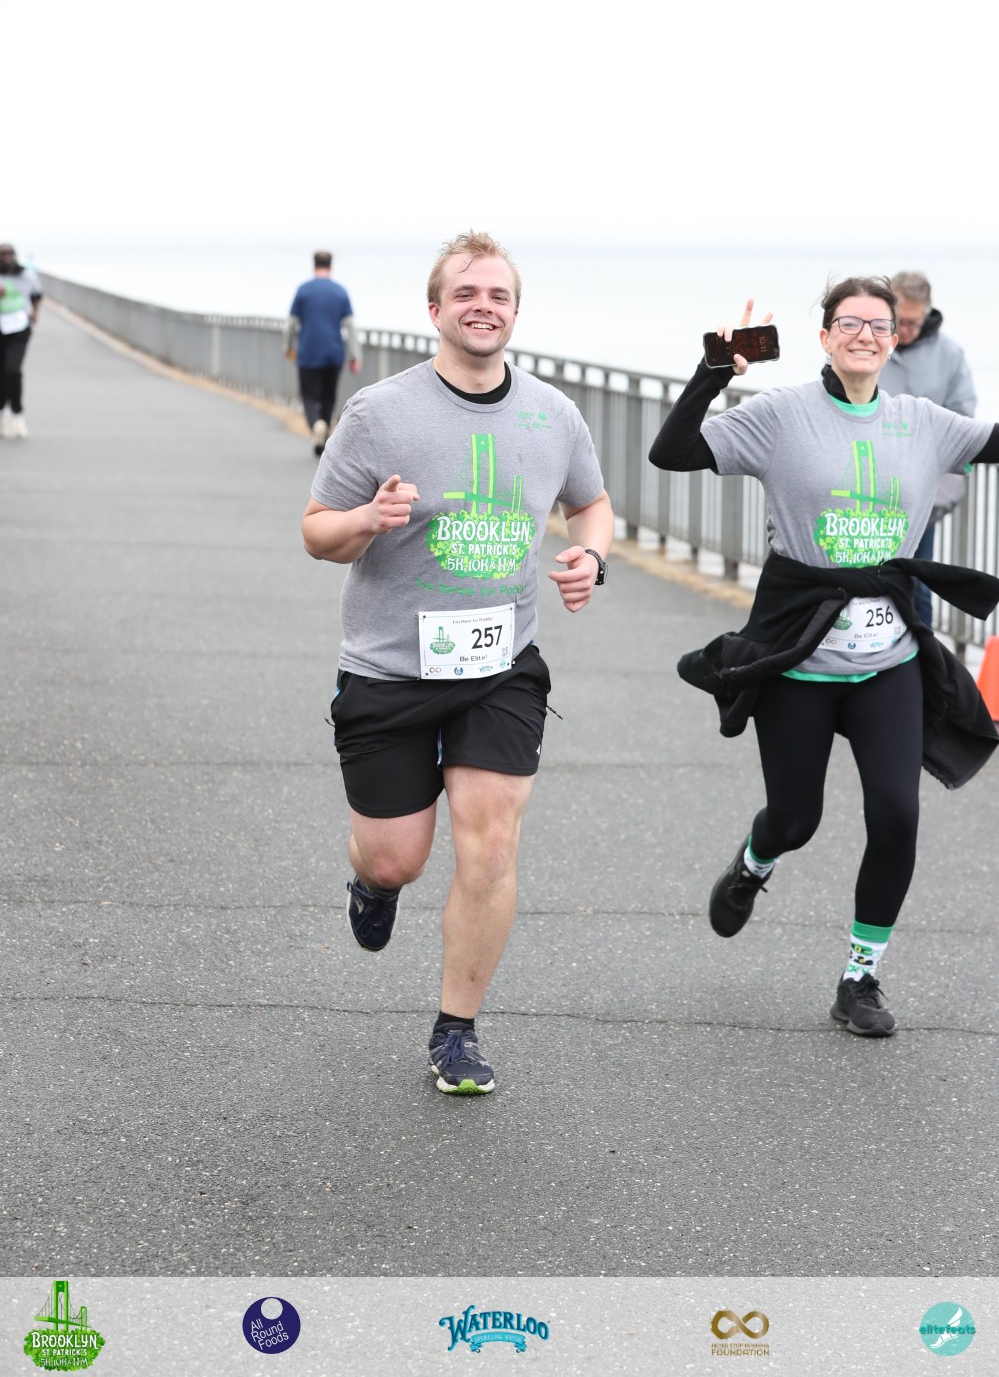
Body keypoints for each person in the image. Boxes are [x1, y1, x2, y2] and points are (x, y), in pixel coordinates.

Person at [302, 230, 614, 1092]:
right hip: (389, 669)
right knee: (395, 857)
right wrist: (365, 520)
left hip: (501, 667)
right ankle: (373, 884)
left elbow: (591, 504)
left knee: (490, 844)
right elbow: (316, 532)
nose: (484, 307)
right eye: (466, 294)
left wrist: (589, 557)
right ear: (435, 309)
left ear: (515, 312)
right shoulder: (379, 413)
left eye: (498, 295)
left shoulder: (554, 414)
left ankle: (456, 1031)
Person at [649, 279, 999, 1038]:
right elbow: (670, 452)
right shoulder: (780, 415)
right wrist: (715, 370)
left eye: (879, 325)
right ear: (824, 336)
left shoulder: (923, 422)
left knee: (897, 815)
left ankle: (859, 979)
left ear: (895, 339)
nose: (865, 335)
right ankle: (754, 863)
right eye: (849, 322)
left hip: (888, 658)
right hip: (798, 658)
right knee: (795, 818)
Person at [878, 271, 976, 627]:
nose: (906, 330)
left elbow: (963, 417)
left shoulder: (949, 354)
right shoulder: (868, 343)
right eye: (900, 321)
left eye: (913, 322)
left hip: (921, 492)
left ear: (927, 311)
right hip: (866, 488)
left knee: (918, 583)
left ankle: (924, 658)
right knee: (865, 578)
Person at [285, 251, 362, 456]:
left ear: (314, 265)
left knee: (308, 395)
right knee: (328, 396)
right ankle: (324, 437)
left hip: (308, 353)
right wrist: (354, 355)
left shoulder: (303, 291)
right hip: (333, 353)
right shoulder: (340, 292)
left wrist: (288, 346)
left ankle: (315, 425)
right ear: (330, 266)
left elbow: (291, 324)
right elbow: (351, 326)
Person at [0, 242, 43, 438]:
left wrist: (35, 312)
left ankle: (17, 414)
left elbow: (37, 294)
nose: (6, 257)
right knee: (1, 372)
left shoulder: (26, 275)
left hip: (19, 327)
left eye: (9, 253)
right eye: (3, 254)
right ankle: (2, 414)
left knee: (13, 370)